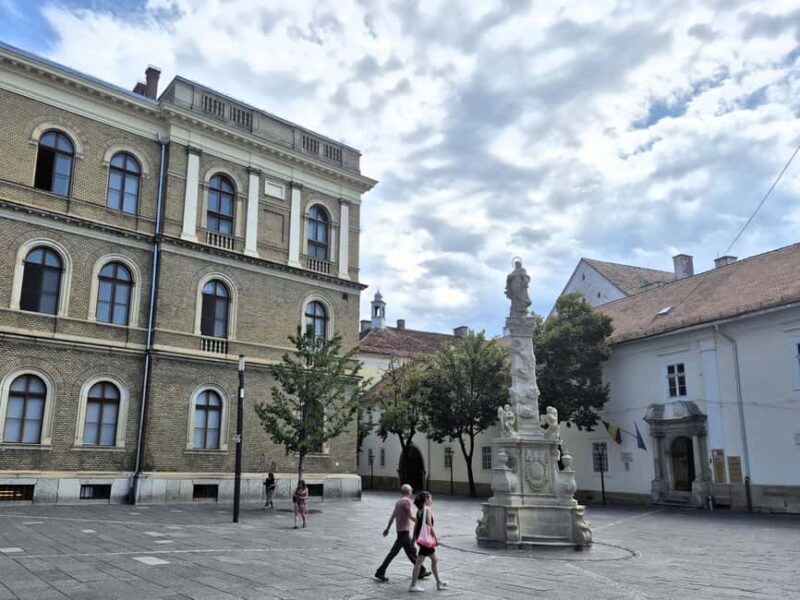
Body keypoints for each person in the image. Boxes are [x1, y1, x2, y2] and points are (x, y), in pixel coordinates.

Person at [374, 484, 431, 582]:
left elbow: (393, 516)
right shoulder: (406, 501)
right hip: (404, 533)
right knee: (395, 553)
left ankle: (421, 571)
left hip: (400, 531)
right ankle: (380, 571)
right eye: (411, 491)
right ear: (408, 492)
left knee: (411, 552)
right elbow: (410, 516)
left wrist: (387, 528)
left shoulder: (399, 502)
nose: (412, 493)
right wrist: (420, 521)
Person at [409, 492, 447, 593]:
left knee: (431, 560)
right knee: (422, 562)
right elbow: (429, 525)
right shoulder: (427, 509)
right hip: (426, 540)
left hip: (420, 539)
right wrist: (435, 538)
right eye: (430, 498)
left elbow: (416, 525)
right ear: (426, 499)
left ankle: (439, 582)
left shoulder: (419, 510)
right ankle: (413, 585)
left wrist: (413, 538)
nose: (432, 500)